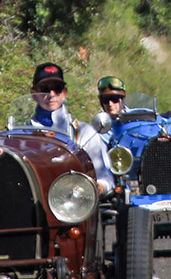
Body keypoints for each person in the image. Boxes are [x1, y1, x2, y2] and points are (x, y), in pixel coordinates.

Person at [30, 62, 114, 194]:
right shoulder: (23, 134)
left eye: (57, 88)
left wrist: (99, 187)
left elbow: (105, 178)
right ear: (34, 94)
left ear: (64, 93)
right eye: (45, 89)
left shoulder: (84, 132)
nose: (51, 94)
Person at [96, 75, 127, 144]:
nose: (110, 104)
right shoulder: (100, 129)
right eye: (105, 100)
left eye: (114, 99)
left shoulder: (138, 116)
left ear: (122, 100)